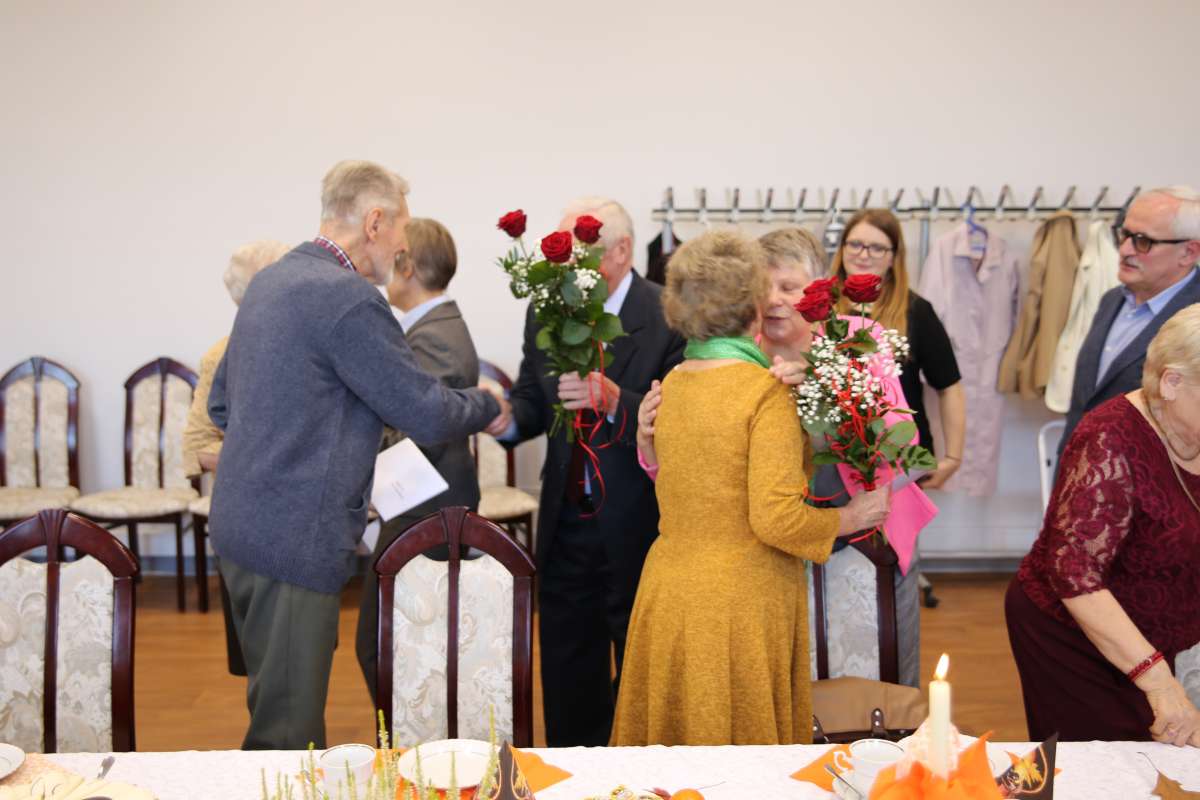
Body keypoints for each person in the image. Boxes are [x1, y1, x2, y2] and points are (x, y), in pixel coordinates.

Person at [206, 160, 509, 750]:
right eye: (401, 230)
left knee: (271, 705)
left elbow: (222, 406)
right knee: (286, 738)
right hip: (291, 540)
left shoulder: (271, 280)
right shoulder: (347, 299)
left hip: (240, 529)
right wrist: (488, 402)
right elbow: (424, 411)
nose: (401, 248)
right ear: (374, 222)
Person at [610, 230, 891, 745]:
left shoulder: (672, 384)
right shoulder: (767, 393)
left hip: (667, 591)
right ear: (755, 307)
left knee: (672, 753)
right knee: (738, 756)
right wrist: (851, 517)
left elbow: (683, 482)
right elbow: (776, 519)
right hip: (739, 602)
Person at [501, 196, 685, 746]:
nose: (567, 268)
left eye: (581, 253)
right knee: (568, 680)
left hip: (641, 526)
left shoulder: (668, 315)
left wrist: (614, 400)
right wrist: (502, 418)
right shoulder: (546, 309)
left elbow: (680, 423)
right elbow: (533, 402)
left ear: (622, 251)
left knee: (640, 677)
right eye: (563, 257)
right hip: (566, 524)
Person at [1006, 305, 1200, 744]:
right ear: (1171, 382)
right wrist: (1159, 683)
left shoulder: (1190, 427)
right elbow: (1074, 573)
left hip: (1154, 636)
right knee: (1111, 764)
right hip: (1072, 639)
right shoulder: (1109, 436)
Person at [355, 217, 483, 703]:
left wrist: (366, 480)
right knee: (396, 650)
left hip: (424, 509)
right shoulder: (432, 329)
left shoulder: (435, 336)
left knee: (387, 650)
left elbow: (423, 430)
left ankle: (411, 743)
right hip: (420, 503)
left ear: (406, 266)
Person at [182, 239, 290, 677]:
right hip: (246, 517)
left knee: (299, 655)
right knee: (258, 655)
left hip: (298, 520)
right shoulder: (220, 356)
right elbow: (197, 446)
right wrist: (258, 458)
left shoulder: (303, 354)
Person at [1058, 186, 1200, 454]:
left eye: (1143, 241)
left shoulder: (1195, 319)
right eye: (1123, 235)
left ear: (1188, 252)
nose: (1124, 250)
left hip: (1152, 476)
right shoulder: (1112, 300)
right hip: (1078, 464)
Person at [830, 209, 966, 489]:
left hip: (901, 460)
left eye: (877, 247)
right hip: (833, 458)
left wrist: (953, 457)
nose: (864, 254)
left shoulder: (916, 311)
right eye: (855, 244)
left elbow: (949, 385)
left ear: (893, 256)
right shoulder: (821, 308)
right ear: (842, 249)